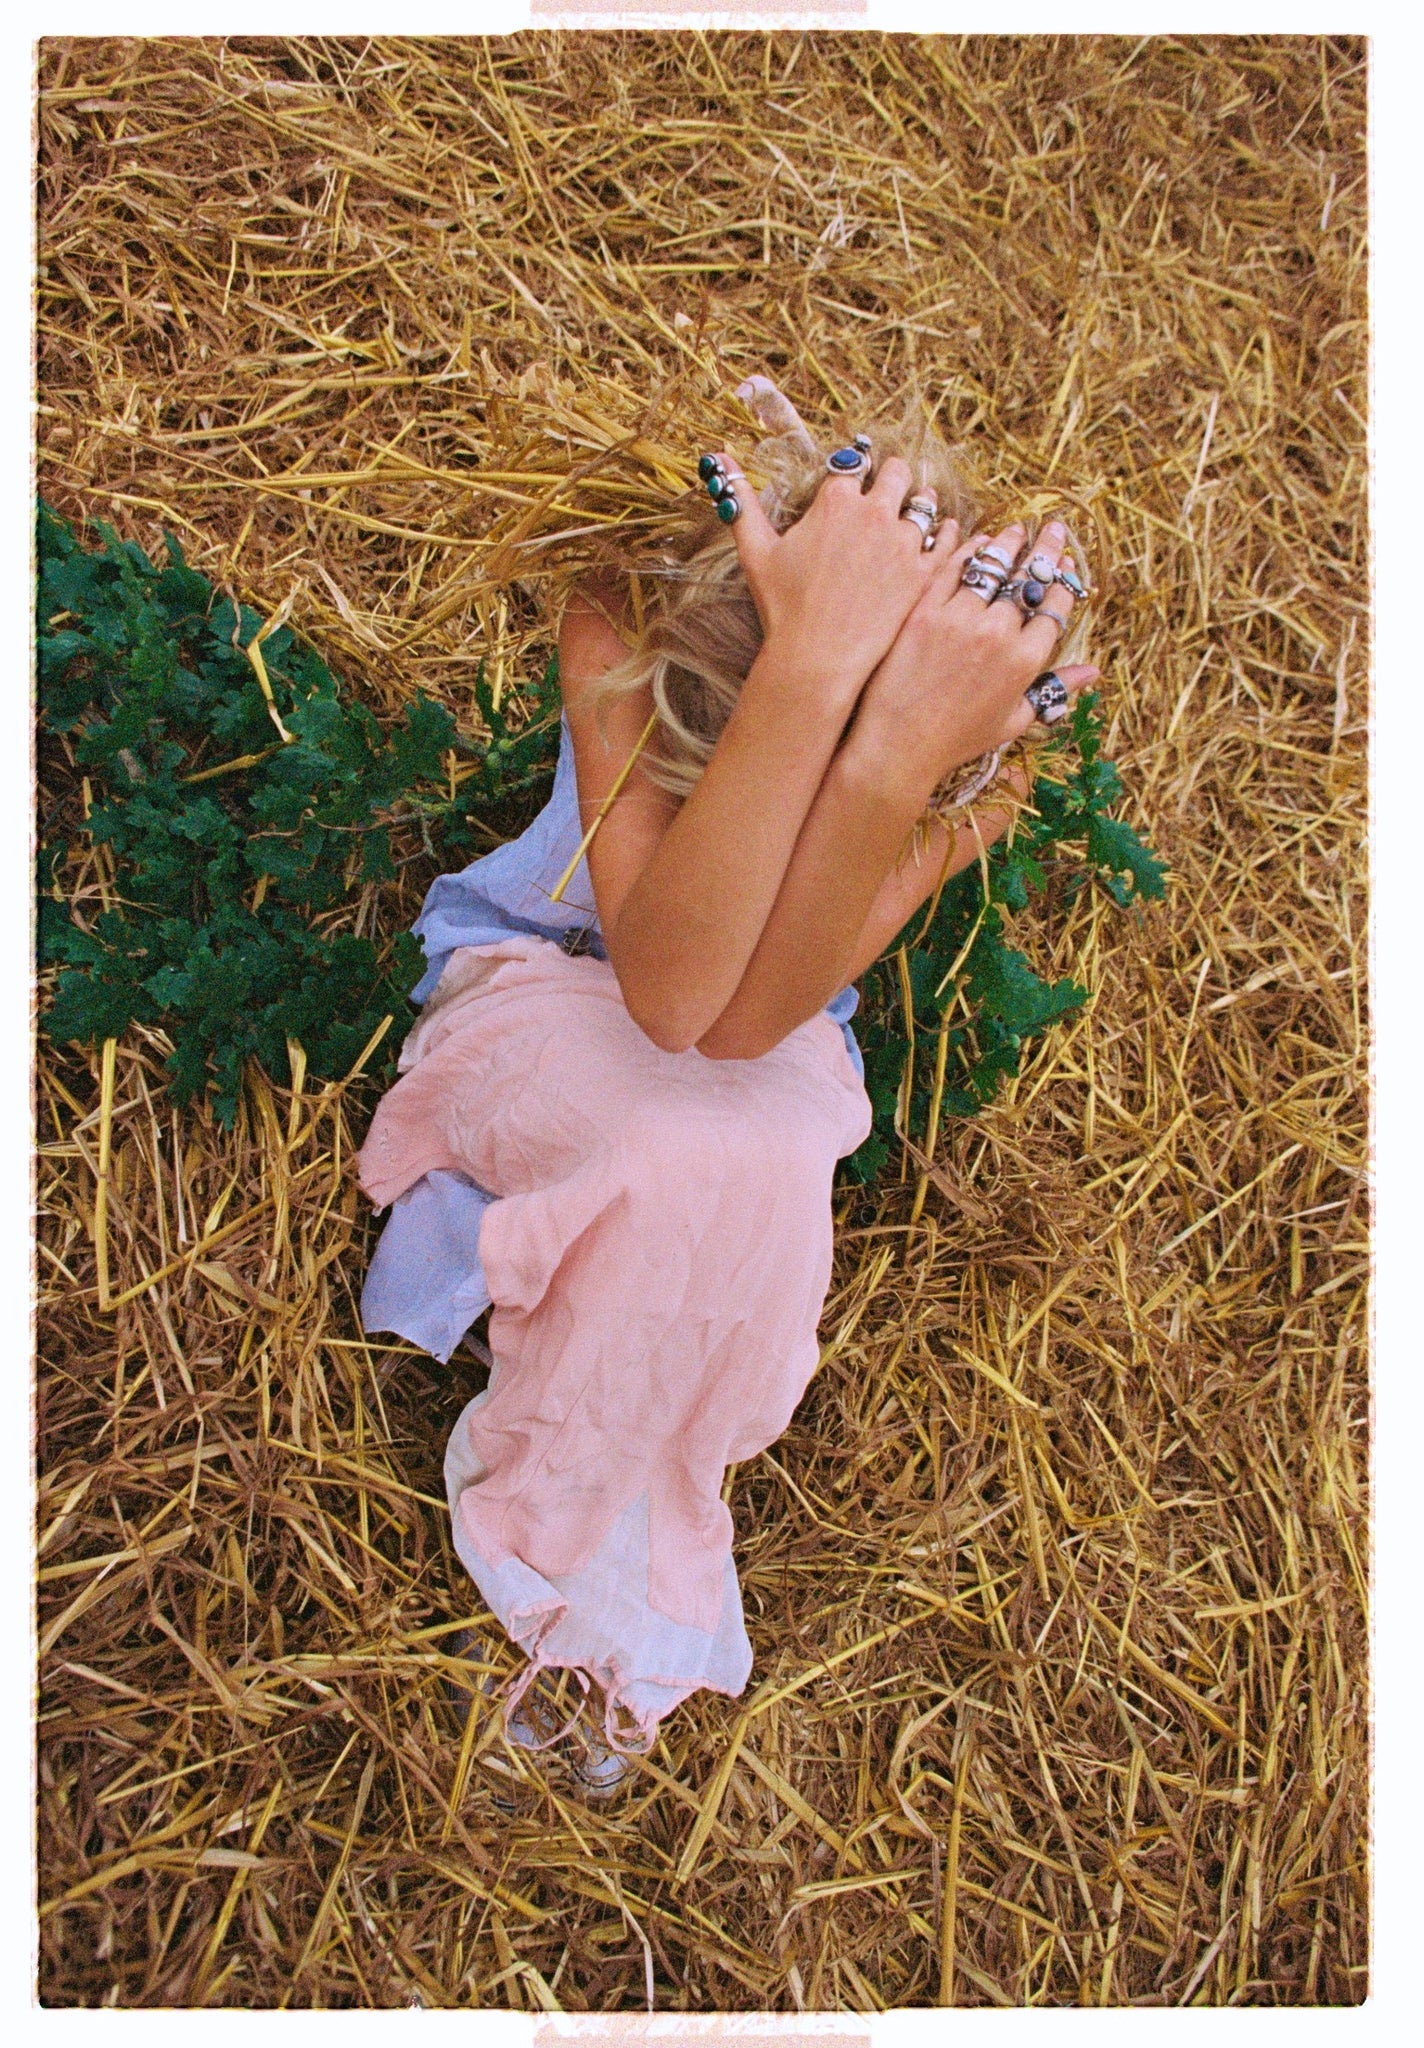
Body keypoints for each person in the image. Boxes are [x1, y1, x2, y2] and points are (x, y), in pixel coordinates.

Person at [355, 377, 1098, 1798]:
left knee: (752, 1167)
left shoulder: (967, 759)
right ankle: (552, 1530)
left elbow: (757, 1018)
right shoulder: (630, 617)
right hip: (554, 974)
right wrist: (815, 679)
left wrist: (892, 753)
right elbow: (670, 992)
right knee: (670, 1143)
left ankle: (625, 1496)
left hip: (766, 1025)